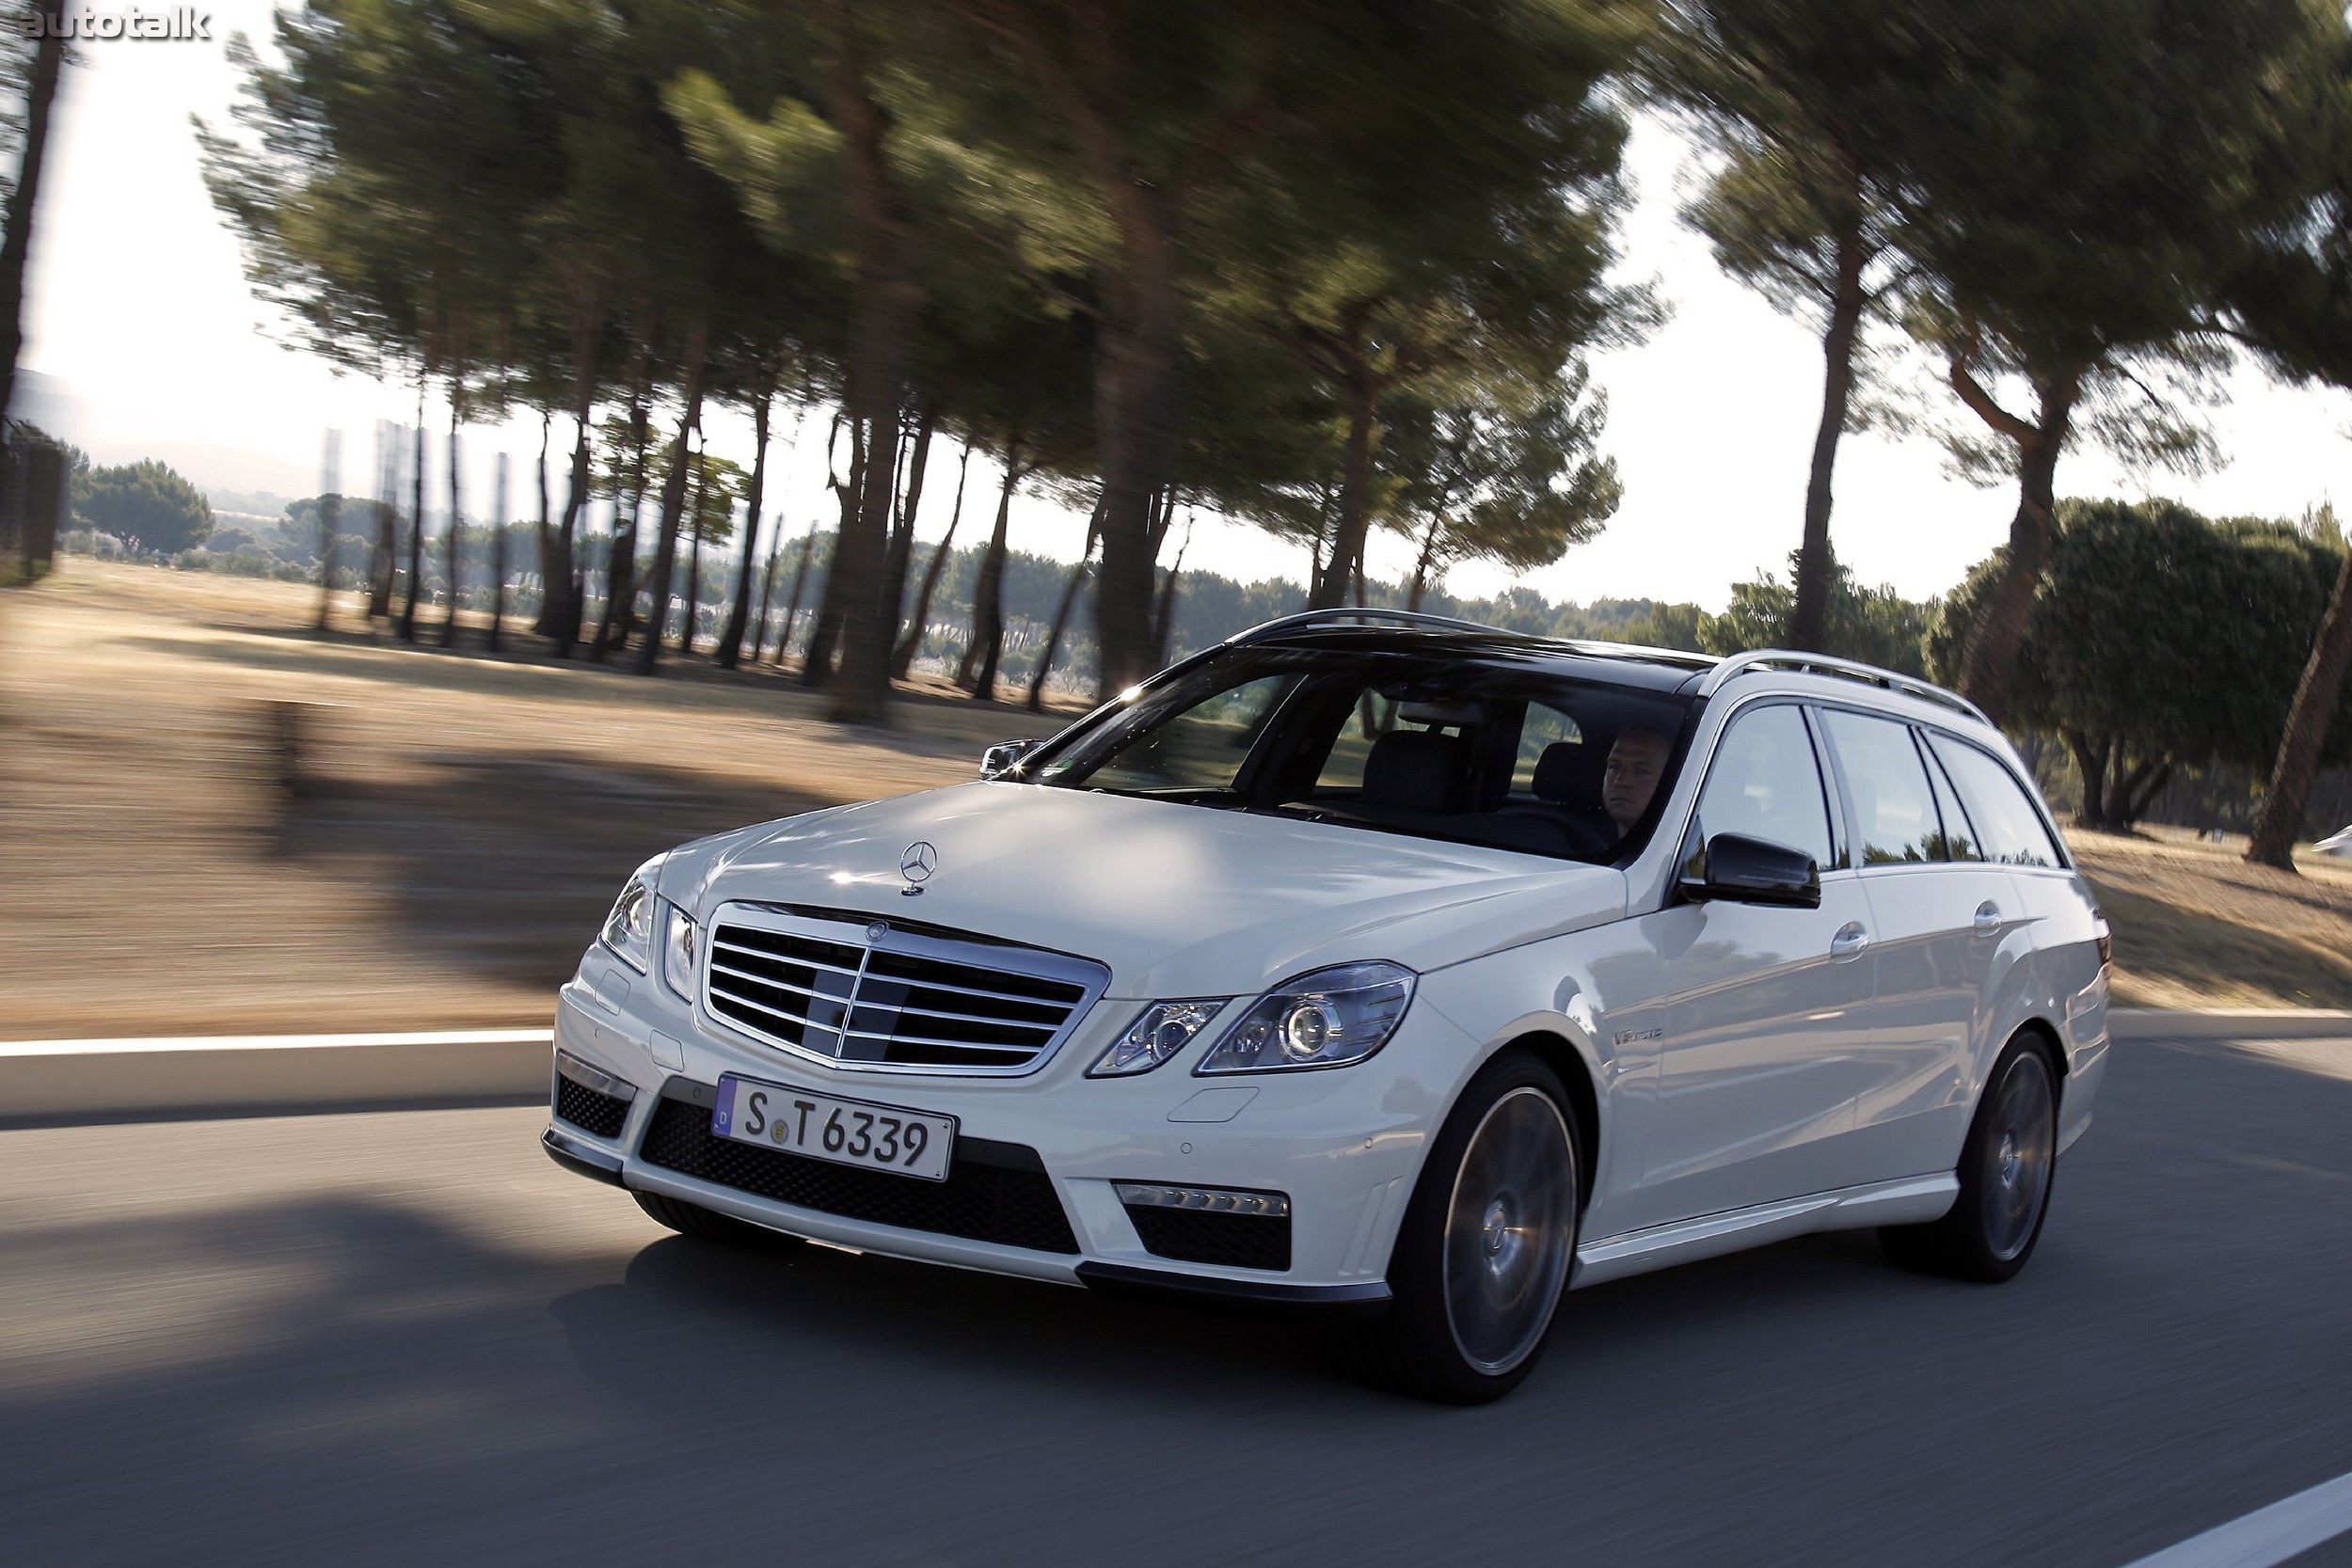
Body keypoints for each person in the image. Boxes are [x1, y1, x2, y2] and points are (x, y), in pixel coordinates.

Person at [1601, 727, 1673, 836]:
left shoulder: (1685, 844)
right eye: (1614, 767)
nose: (1620, 781)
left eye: (1641, 771)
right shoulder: (1581, 841)